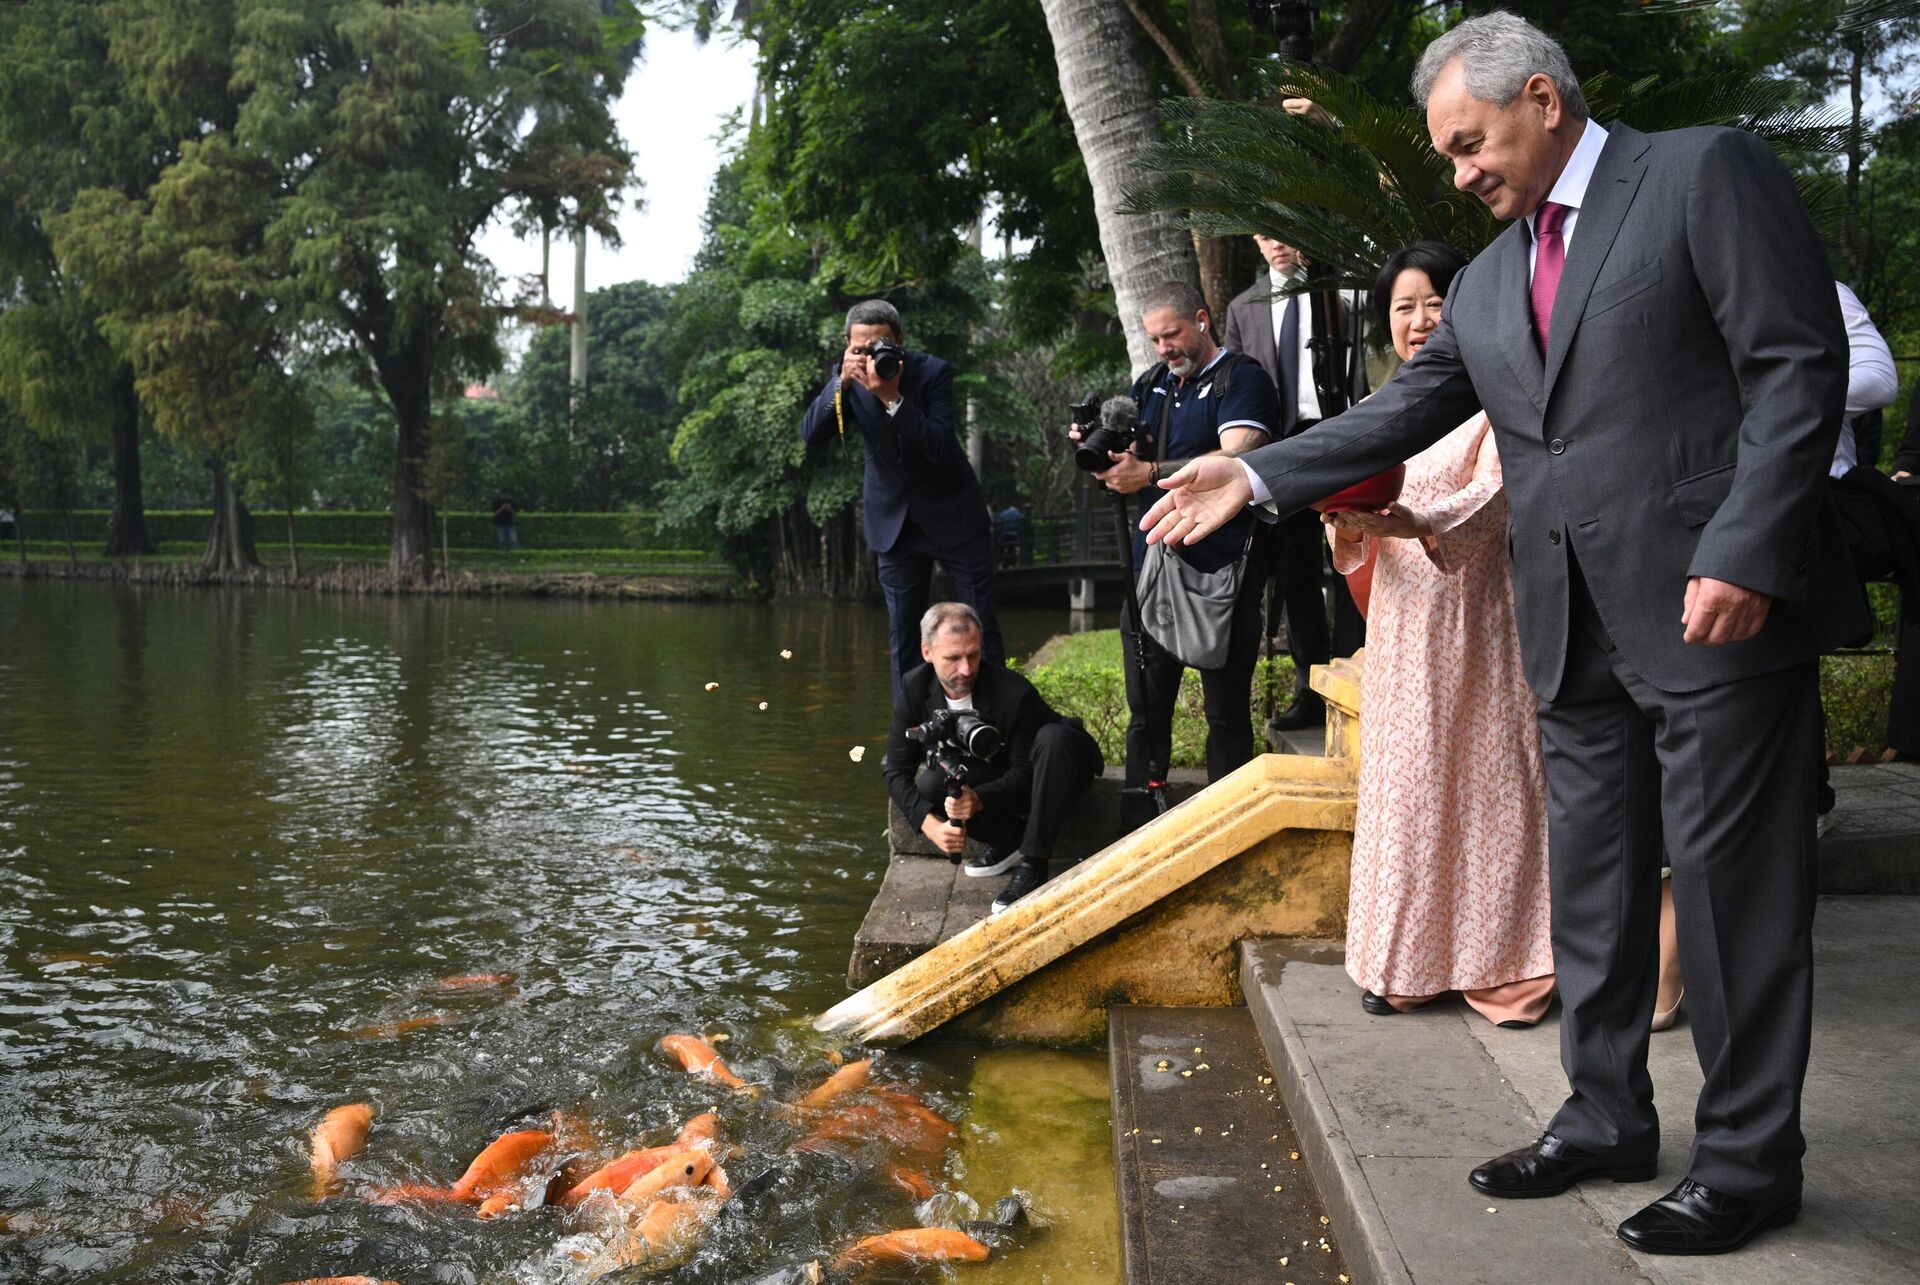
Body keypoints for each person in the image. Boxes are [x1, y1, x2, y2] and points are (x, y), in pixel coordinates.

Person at [1140, 13, 1866, 1256]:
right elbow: (1401, 416)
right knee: (1589, 888)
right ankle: (1604, 1113)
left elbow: (1796, 366)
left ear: (1540, 97)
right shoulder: (1485, 283)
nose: (1462, 173)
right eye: (1450, 157)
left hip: (1712, 606)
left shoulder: (1699, 173)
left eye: (1470, 144)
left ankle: (1750, 1164)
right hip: (1568, 622)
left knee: (1733, 896)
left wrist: (1748, 546)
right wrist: (1254, 476)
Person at [1325, 239, 1554, 1028]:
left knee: (1493, 784)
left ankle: (1509, 968)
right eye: (1404, 307)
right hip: (1402, 625)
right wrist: (1347, 521)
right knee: (1409, 787)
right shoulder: (1385, 409)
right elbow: (1353, 526)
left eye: (1435, 303)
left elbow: (1499, 496)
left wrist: (1417, 520)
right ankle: (1406, 964)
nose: (1419, 320)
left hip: (1482, 616)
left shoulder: (1500, 394)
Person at [1076, 280, 1283, 796]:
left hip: (1222, 570)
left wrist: (1148, 474)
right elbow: (1127, 460)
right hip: (1152, 566)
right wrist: (1103, 455)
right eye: (1155, 340)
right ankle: (1140, 813)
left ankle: (1229, 818)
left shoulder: (1243, 378)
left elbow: (1237, 455)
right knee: (1146, 710)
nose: (1164, 348)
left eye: (1172, 335)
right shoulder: (1151, 385)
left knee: (1225, 715)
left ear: (1201, 321)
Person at [799, 300, 1002, 698]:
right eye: (860, 348)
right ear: (847, 345)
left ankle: (995, 716)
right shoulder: (847, 375)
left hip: (953, 514)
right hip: (892, 523)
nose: (871, 356)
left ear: (900, 342)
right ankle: (912, 725)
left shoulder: (933, 372)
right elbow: (811, 434)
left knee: (981, 624)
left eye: (881, 346)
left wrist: (892, 399)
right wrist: (841, 382)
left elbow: (939, 446)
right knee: (904, 635)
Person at [1223, 236, 1368, 733]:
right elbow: (1236, 382)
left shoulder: (1339, 293)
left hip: (1338, 433)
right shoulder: (1243, 307)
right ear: (1255, 241)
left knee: (1353, 558)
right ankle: (1311, 690)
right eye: (1264, 236)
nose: (1276, 244)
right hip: (1278, 450)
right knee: (1295, 575)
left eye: (1280, 230)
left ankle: (1357, 677)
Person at [882, 602, 1103, 914]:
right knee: (933, 784)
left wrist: (979, 799)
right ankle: (1010, 840)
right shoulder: (915, 687)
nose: (966, 669)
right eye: (953, 658)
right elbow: (895, 770)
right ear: (927, 652)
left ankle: (1033, 863)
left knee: (1054, 738)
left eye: (973, 655)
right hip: (998, 771)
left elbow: (1024, 772)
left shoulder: (1013, 692)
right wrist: (931, 826)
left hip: (1058, 769)